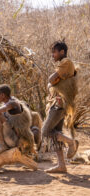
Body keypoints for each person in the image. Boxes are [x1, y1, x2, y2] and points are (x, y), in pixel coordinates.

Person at [42, 41, 79, 173]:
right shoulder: (64, 64)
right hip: (57, 103)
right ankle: (61, 165)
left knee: (45, 131)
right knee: (55, 133)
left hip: (59, 104)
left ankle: (71, 142)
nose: (52, 55)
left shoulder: (66, 62)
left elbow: (52, 79)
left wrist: (51, 81)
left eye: (54, 52)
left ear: (62, 52)